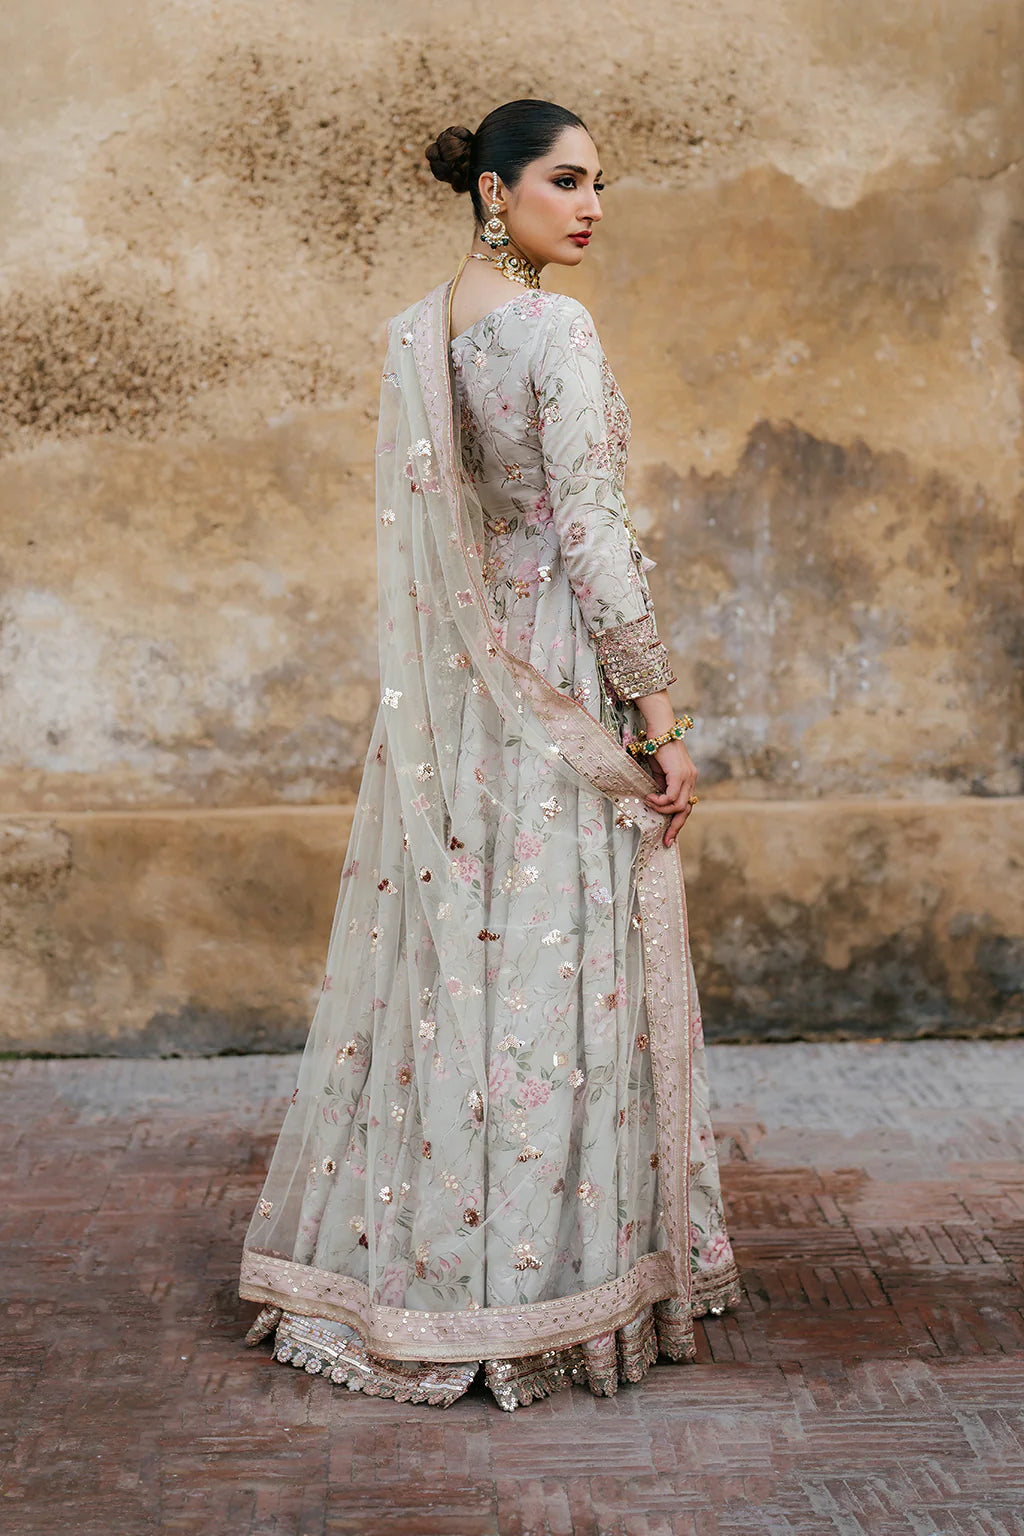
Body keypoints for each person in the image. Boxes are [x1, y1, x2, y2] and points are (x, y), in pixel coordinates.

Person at [238, 98, 741, 1412]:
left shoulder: (426, 330)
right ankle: (545, 1286)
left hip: (473, 688)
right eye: (566, 181)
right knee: (554, 966)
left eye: (598, 184)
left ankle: (433, 1260)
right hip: (556, 673)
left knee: (469, 964)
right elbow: (591, 535)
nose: (591, 206)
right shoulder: (552, 328)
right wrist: (660, 714)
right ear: (494, 190)